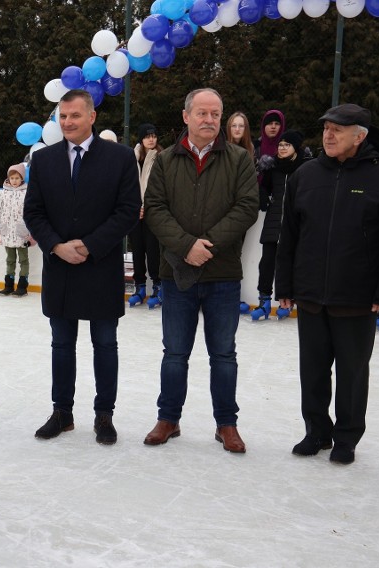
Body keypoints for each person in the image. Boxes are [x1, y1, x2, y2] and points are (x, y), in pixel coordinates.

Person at [142, 88, 259, 453]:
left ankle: (226, 423)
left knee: (223, 354)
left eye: (215, 114)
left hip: (222, 274)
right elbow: (155, 208)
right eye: (203, 113)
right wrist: (185, 246)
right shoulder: (164, 160)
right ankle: (168, 418)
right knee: (175, 353)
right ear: (186, 116)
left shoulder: (239, 159)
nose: (210, 120)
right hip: (176, 273)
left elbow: (246, 208)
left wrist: (205, 245)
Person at [23, 89, 141, 444]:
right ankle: (63, 412)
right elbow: (34, 212)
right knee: (62, 345)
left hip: (100, 267)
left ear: (91, 116)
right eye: (63, 116)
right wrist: (57, 246)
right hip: (60, 269)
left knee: (105, 344)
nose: (68, 122)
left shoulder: (119, 158)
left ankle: (104, 416)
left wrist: (90, 246)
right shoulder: (43, 161)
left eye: (75, 115)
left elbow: (127, 211)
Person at [275, 103, 379, 465]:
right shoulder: (306, 175)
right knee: (313, 369)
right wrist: (286, 287)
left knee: (353, 373)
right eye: (326, 128)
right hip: (310, 294)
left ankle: (346, 438)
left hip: (357, 297)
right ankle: (317, 432)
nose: (329, 135)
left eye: (338, 129)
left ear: (360, 135)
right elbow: (289, 235)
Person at [249, 130, 308, 321]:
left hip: (295, 225)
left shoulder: (304, 169)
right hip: (273, 222)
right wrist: (264, 197)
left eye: (286, 145)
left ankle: (289, 301)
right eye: (280, 145)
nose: (282, 148)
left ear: (295, 148)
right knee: (267, 263)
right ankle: (264, 301)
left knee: (294, 264)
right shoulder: (272, 167)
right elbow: (263, 186)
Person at [127, 123, 164, 309]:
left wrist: (147, 207)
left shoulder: (161, 157)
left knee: (153, 250)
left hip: (153, 212)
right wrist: (135, 207)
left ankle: (158, 286)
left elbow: (161, 187)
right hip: (135, 212)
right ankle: (140, 286)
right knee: (138, 250)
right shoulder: (131, 158)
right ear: (141, 139)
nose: (151, 139)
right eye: (148, 136)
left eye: (154, 136)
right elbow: (127, 185)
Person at [0, 163, 34, 297]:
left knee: (23, 260)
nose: (14, 181)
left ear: (22, 178)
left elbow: (32, 213)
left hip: (21, 233)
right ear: (8, 179)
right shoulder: (4, 193)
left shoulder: (27, 193)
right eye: (12, 178)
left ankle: (22, 286)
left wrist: (32, 233)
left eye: (17, 178)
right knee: (10, 260)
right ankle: (8, 285)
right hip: (6, 232)